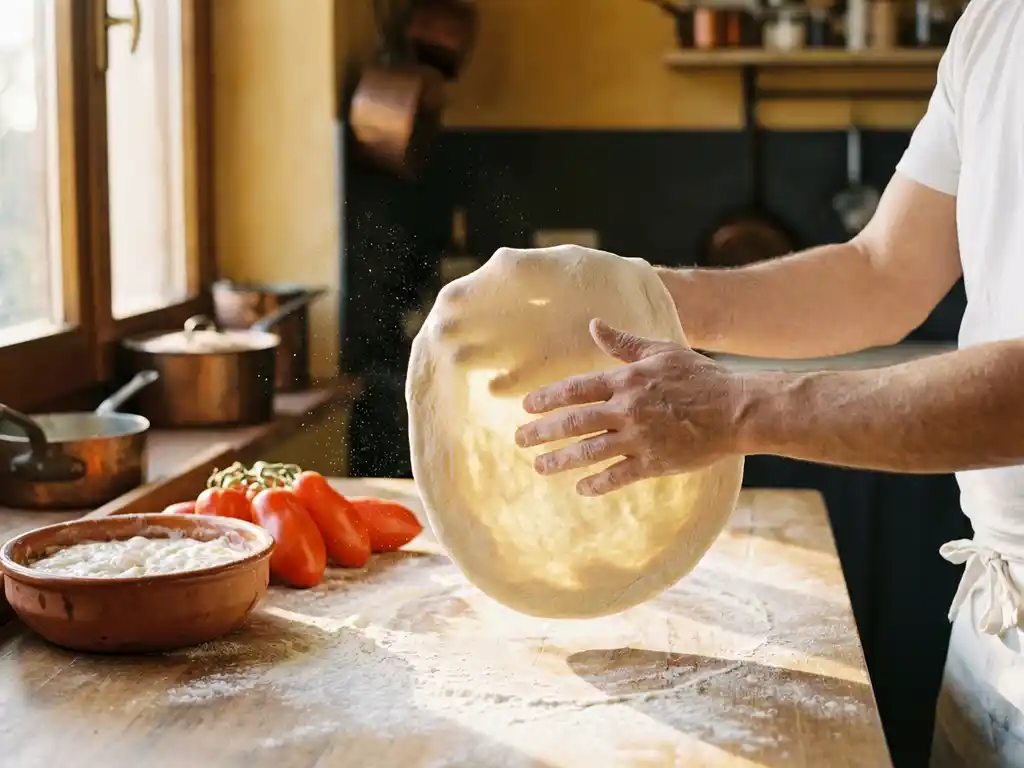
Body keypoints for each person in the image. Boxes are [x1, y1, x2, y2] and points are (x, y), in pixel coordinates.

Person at [513, 1, 1024, 765]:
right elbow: (881, 272)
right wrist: (646, 297)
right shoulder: (993, 23)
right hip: (995, 626)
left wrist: (737, 406)